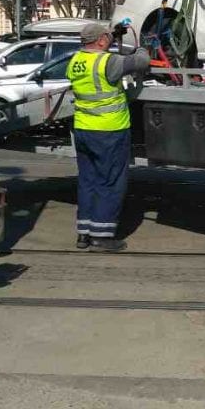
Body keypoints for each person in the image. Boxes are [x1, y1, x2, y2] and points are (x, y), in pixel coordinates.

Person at [66, 20, 150, 252]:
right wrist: (142, 47)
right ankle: (101, 237)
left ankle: (84, 233)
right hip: (109, 130)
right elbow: (141, 62)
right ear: (101, 40)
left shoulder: (76, 61)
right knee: (110, 182)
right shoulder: (107, 62)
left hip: (83, 128)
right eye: (108, 37)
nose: (110, 39)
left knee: (88, 180)